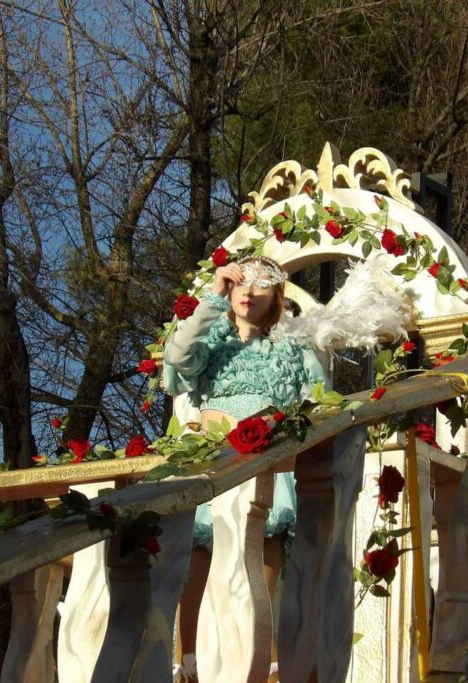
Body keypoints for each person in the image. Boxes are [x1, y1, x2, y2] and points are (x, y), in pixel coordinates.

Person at [162, 255, 329, 682]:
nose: (248, 291)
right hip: (212, 473)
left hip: (267, 471)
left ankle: (264, 666)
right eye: (239, 283)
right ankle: (192, 665)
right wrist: (211, 296)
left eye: (260, 284)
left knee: (260, 573)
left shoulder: (293, 350)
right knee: (200, 567)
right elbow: (176, 362)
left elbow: (321, 407)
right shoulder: (209, 344)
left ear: (276, 295)